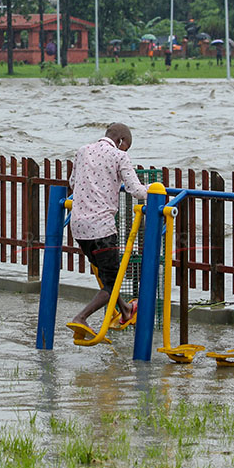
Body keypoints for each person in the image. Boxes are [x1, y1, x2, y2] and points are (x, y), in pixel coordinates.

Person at [67, 122, 149, 341]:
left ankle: (125, 310)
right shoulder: (119, 156)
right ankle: (81, 317)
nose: (124, 151)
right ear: (121, 141)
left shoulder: (83, 151)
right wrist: (157, 191)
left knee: (105, 274)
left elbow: (73, 182)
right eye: (126, 147)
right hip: (102, 229)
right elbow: (136, 191)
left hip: (78, 227)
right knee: (112, 281)